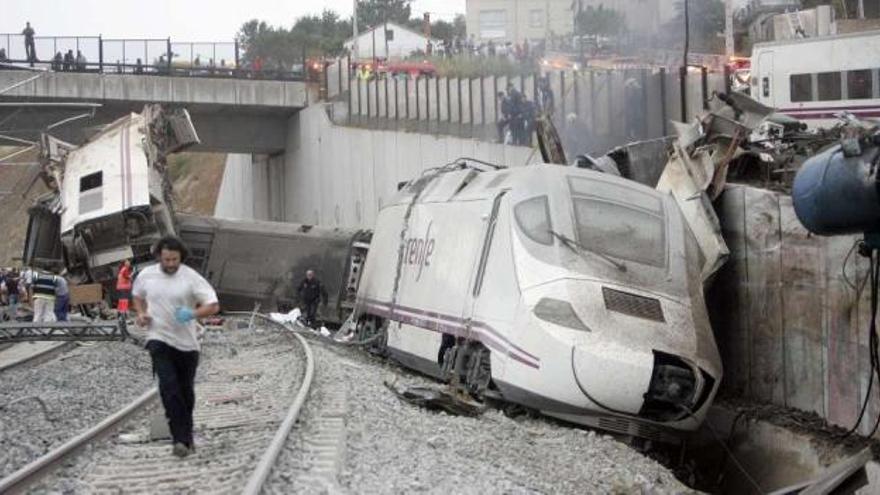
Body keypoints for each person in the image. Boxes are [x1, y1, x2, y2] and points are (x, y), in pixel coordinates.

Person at [133, 236, 219, 458]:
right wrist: (141, 314)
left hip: (187, 344)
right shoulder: (146, 275)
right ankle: (178, 440)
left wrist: (193, 313)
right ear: (159, 257)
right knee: (168, 388)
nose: (170, 264)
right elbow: (137, 296)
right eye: (167, 259)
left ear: (181, 258)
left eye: (175, 260)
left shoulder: (191, 278)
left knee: (185, 393)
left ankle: (186, 436)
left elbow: (213, 305)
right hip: (158, 337)